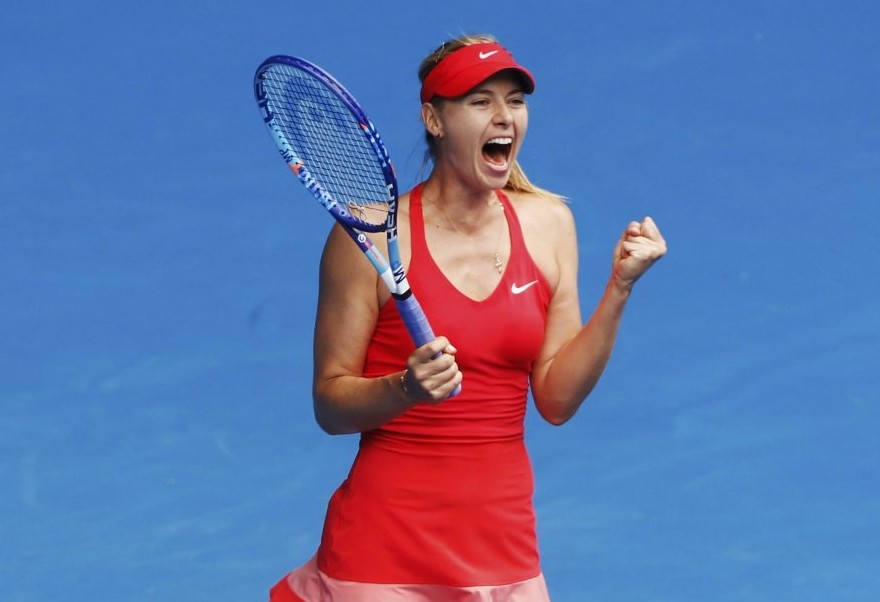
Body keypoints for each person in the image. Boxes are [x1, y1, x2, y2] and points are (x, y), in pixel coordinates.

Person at [270, 34, 666, 601]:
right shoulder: (370, 234)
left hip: (504, 550)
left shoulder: (549, 224)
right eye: (480, 102)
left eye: (514, 101)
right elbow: (330, 406)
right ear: (434, 119)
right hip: (382, 557)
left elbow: (555, 399)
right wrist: (404, 387)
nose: (504, 116)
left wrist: (619, 291)